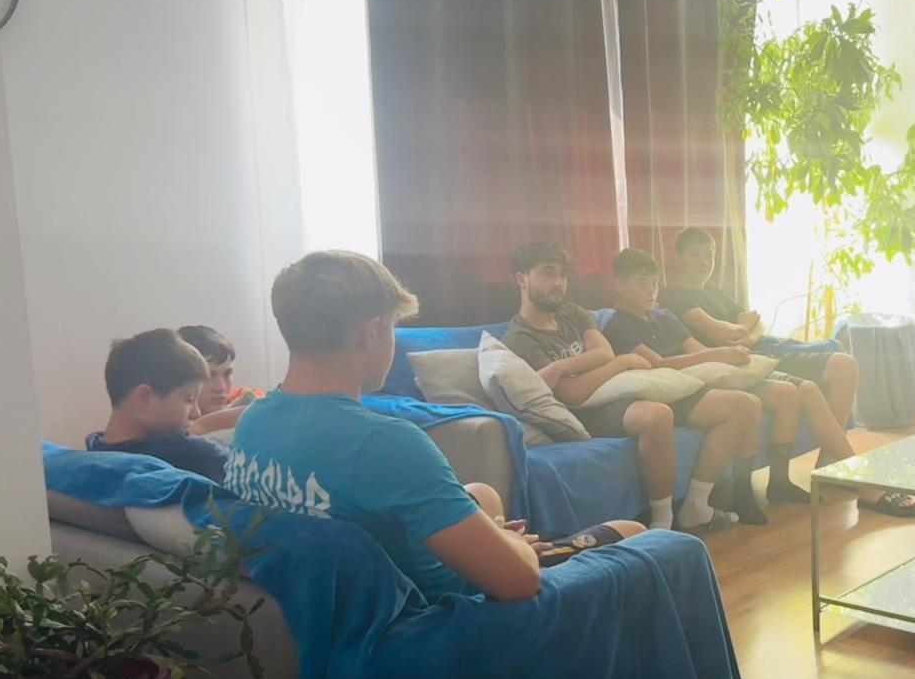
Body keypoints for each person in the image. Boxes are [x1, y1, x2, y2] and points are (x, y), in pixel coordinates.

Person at [228, 250, 641, 603]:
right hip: (447, 615)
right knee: (637, 531)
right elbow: (518, 582)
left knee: (482, 493)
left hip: (340, 601)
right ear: (371, 332)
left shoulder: (253, 422)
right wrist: (512, 545)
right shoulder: (385, 442)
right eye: (392, 328)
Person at [606, 248, 915, 519]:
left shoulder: (664, 316)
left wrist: (727, 353)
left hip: (713, 373)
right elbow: (657, 363)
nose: (651, 290)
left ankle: (786, 481)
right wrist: (722, 350)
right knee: (783, 395)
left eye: (654, 282)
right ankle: (861, 481)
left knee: (796, 390)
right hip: (687, 387)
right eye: (642, 283)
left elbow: (708, 345)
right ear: (619, 285)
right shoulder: (624, 322)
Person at [504, 241, 755, 534]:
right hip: (584, 413)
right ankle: (662, 522)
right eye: (548, 273)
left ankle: (696, 506)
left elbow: (604, 352)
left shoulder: (572, 313)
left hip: (618, 391)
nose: (558, 282)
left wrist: (562, 367)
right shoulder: (520, 338)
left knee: (740, 404)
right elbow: (573, 394)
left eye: (563, 274)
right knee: (656, 415)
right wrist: (620, 363)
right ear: (522, 279)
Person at [660, 227, 862, 433]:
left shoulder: (712, 290)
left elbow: (757, 322)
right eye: (694, 255)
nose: (704, 262)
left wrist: (748, 336)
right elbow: (721, 332)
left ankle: (833, 448)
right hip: (749, 358)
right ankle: (835, 444)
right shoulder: (673, 297)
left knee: (837, 350)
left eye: (708, 256)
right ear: (678, 258)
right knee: (841, 363)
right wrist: (743, 329)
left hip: (759, 346)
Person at [87, 328, 232, 483]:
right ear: (143, 398)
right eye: (189, 399)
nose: (196, 413)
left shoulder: (94, 450)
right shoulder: (194, 454)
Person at [177, 324, 262, 438]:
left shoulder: (248, 399)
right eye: (208, 375)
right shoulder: (165, 421)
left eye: (227, 374)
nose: (221, 388)